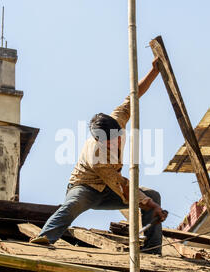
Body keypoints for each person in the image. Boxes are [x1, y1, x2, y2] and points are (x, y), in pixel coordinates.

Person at [31, 57, 168, 255]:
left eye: (117, 138)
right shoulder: (96, 155)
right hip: (86, 187)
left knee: (153, 194)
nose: (115, 143)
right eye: (108, 142)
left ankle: (153, 250)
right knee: (74, 204)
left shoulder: (118, 117)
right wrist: (150, 204)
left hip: (111, 190)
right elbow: (121, 185)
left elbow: (134, 95)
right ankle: (45, 238)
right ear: (98, 140)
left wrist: (154, 71)